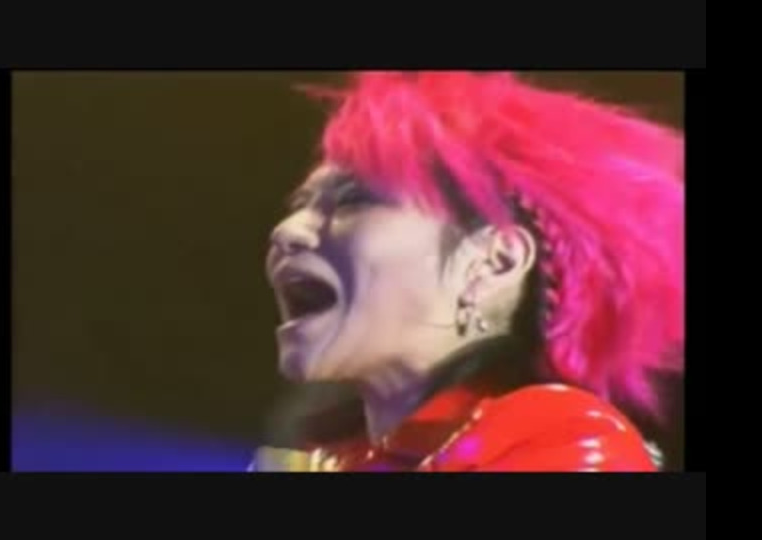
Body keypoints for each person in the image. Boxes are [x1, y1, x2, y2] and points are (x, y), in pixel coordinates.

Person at [251, 72, 684, 472]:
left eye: (352, 202)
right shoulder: (313, 462)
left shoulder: (566, 441)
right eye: (301, 204)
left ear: (495, 262)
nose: (287, 230)